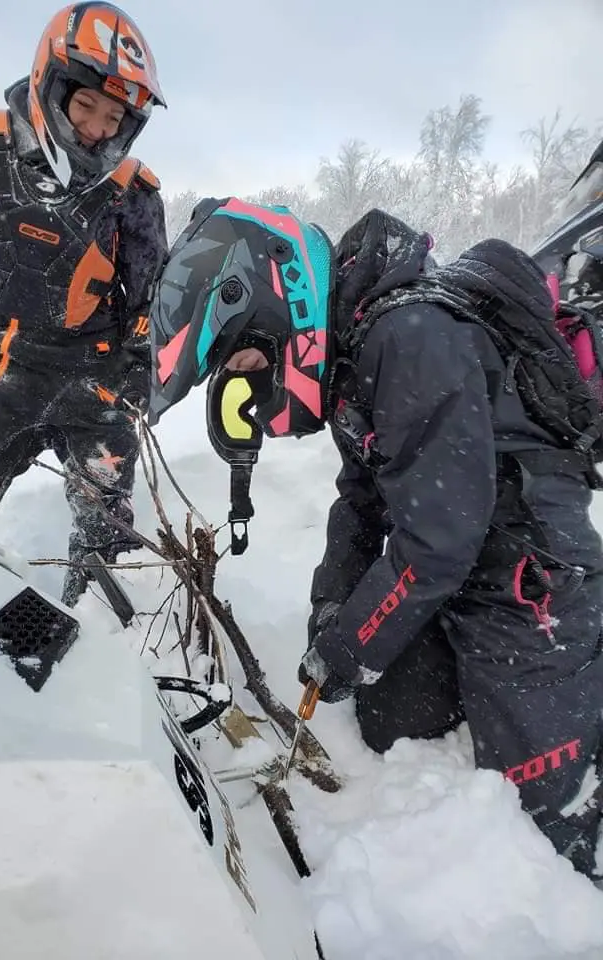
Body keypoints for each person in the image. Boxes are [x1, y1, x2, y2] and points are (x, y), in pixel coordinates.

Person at [145, 196, 603, 882]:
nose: (256, 388)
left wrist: (351, 643)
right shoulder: (356, 351)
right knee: (389, 713)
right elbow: (362, 500)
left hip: (529, 576)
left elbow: (435, 543)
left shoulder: (407, 336)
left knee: (545, 824)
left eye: (245, 363)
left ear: (279, 308)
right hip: (464, 560)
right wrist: (334, 608)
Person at [0, 2, 168, 606]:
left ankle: (95, 657)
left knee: (106, 541)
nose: (97, 126)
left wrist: (139, 369)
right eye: (86, 104)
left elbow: (152, 293)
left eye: (114, 114)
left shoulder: (134, 192)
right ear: (52, 84)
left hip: (93, 379)